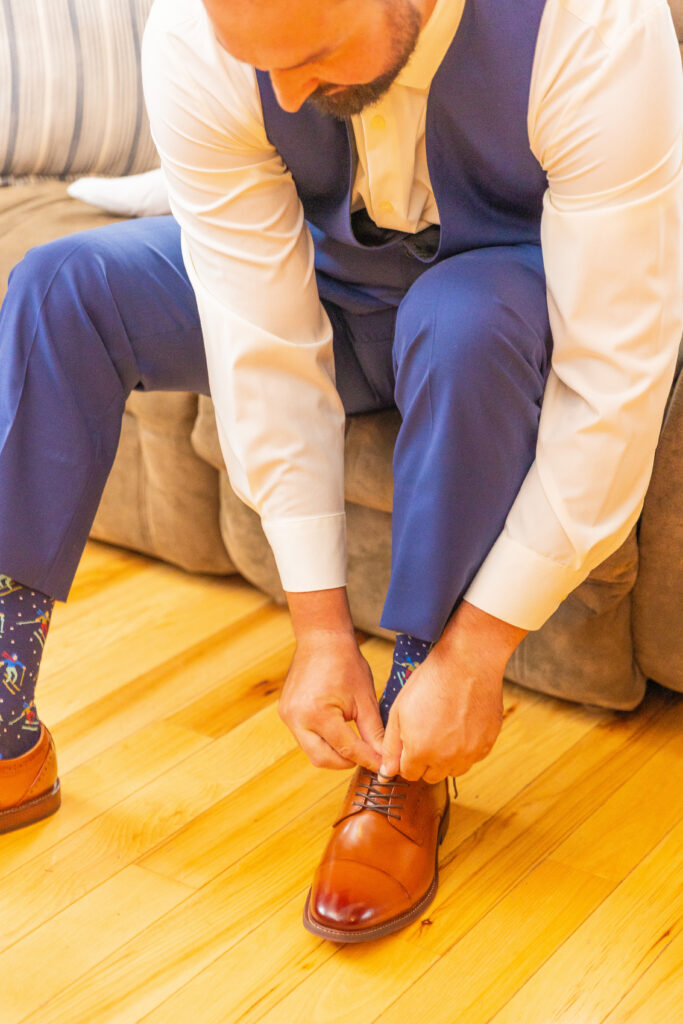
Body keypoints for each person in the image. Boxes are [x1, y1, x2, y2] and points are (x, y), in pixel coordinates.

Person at [0, 0, 681, 942]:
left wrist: (477, 655)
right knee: (60, 285)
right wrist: (317, 627)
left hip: (491, 307)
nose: (280, 94)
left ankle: (407, 752)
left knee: (464, 319)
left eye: (311, 54)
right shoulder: (202, 37)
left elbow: (613, 383)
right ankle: (3, 717)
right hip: (328, 295)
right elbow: (263, 341)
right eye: (260, 65)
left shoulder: (591, 24)